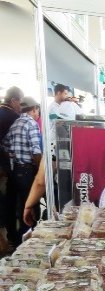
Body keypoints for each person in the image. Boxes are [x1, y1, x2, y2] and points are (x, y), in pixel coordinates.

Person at [2, 96, 42, 244]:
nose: (38, 113)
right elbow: (36, 152)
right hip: (27, 172)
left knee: (17, 207)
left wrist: (15, 155)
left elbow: (5, 145)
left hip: (15, 171)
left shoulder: (16, 123)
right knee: (30, 208)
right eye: (38, 110)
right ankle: (28, 242)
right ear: (34, 109)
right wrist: (41, 171)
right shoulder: (31, 124)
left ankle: (16, 239)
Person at [0, 86, 24, 253]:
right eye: (20, 103)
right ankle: (7, 241)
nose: (21, 107)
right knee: (7, 204)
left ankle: (7, 238)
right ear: (14, 100)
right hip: (3, 169)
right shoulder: (13, 116)